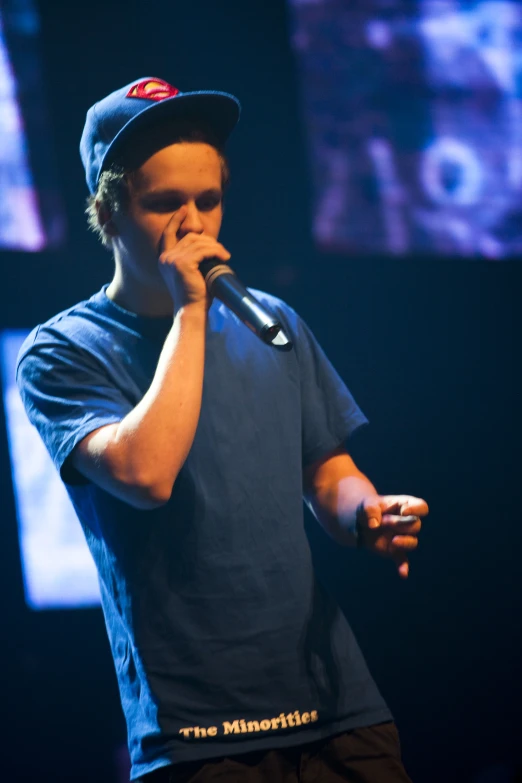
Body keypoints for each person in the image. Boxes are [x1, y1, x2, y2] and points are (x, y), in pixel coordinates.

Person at [16, 77, 428, 782]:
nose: (195, 225)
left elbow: (325, 470)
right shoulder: (63, 351)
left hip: (338, 706)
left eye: (208, 200)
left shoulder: (270, 320)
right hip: (201, 732)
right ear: (108, 213)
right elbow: (146, 474)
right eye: (164, 203)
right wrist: (190, 313)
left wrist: (367, 514)